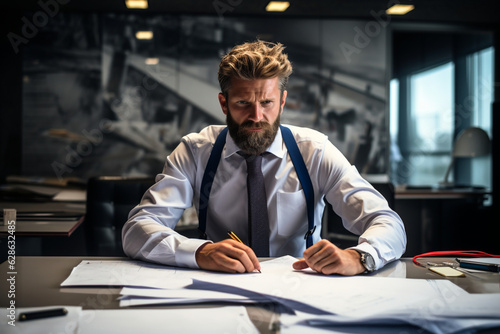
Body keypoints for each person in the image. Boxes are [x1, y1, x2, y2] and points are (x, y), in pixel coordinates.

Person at [122, 40, 406, 275]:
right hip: (220, 287)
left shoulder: (315, 151)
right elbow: (137, 229)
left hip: (304, 288)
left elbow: (387, 222)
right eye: (243, 103)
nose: (256, 117)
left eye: (267, 103)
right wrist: (199, 251)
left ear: (282, 102)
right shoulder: (196, 152)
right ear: (224, 103)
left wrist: (360, 257)